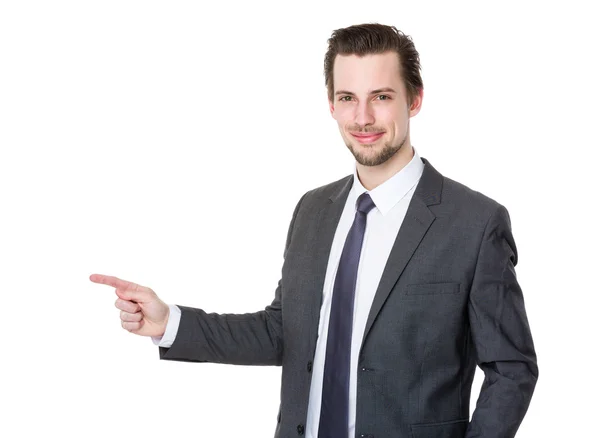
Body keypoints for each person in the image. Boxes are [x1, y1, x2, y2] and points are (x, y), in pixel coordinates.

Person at [90, 23, 538, 438]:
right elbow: (283, 331)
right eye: (347, 98)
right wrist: (170, 322)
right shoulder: (313, 210)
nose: (362, 117)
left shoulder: (475, 223)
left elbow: (512, 369)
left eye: (381, 96)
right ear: (331, 103)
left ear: (414, 99)